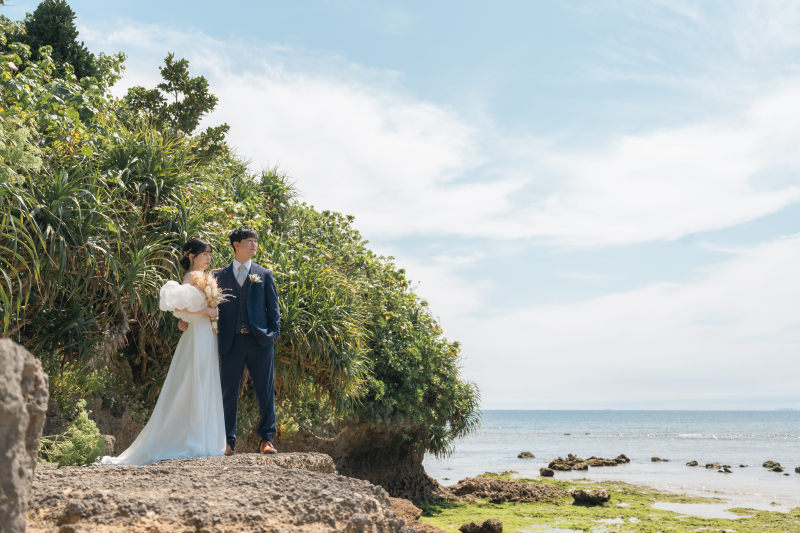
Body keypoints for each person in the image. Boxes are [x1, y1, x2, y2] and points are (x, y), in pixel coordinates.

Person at [99, 238, 226, 465]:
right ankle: (190, 438)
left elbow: (188, 311)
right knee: (192, 382)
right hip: (197, 336)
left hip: (205, 334)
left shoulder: (204, 278)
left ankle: (202, 438)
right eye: (204, 253)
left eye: (209, 254)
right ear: (191, 256)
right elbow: (179, 307)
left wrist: (197, 316)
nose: (208, 258)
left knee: (204, 380)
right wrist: (206, 311)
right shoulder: (189, 277)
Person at [179, 226, 280, 455]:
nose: (254, 244)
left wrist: (273, 334)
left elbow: (274, 309)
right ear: (236, 244)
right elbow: (199, 305)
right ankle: (228, 442)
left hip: (260, 341)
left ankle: (266, 439)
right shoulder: (217, 275)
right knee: (227, 392)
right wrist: (186, 321)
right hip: (229, 341)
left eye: (255, 240)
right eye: (249, 240)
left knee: (265, 390)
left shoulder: (264, 275)